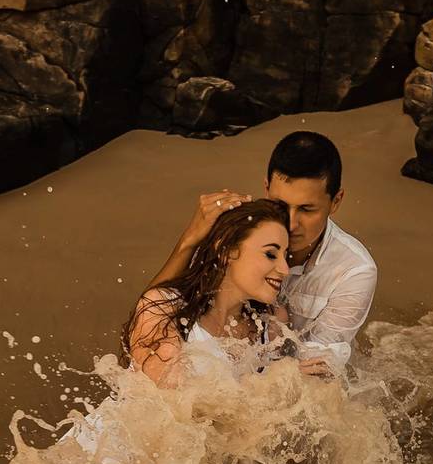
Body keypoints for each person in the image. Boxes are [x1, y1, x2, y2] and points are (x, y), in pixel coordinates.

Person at [148, 131, 377, 377]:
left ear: (336, 201)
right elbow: (158, 309)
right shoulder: (239, 234)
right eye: (280, 205)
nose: (290, 224)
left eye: (306, 209)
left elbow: (317, 369)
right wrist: (190, 240)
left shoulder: (355, 271)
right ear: (266, 188)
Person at [122, 198, 292, 387]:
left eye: (286, 255)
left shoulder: (271, 325)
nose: (285, 269)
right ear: (227, 250)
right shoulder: (161, 307)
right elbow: (172, 399)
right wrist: (273, 386)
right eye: (270, 254)